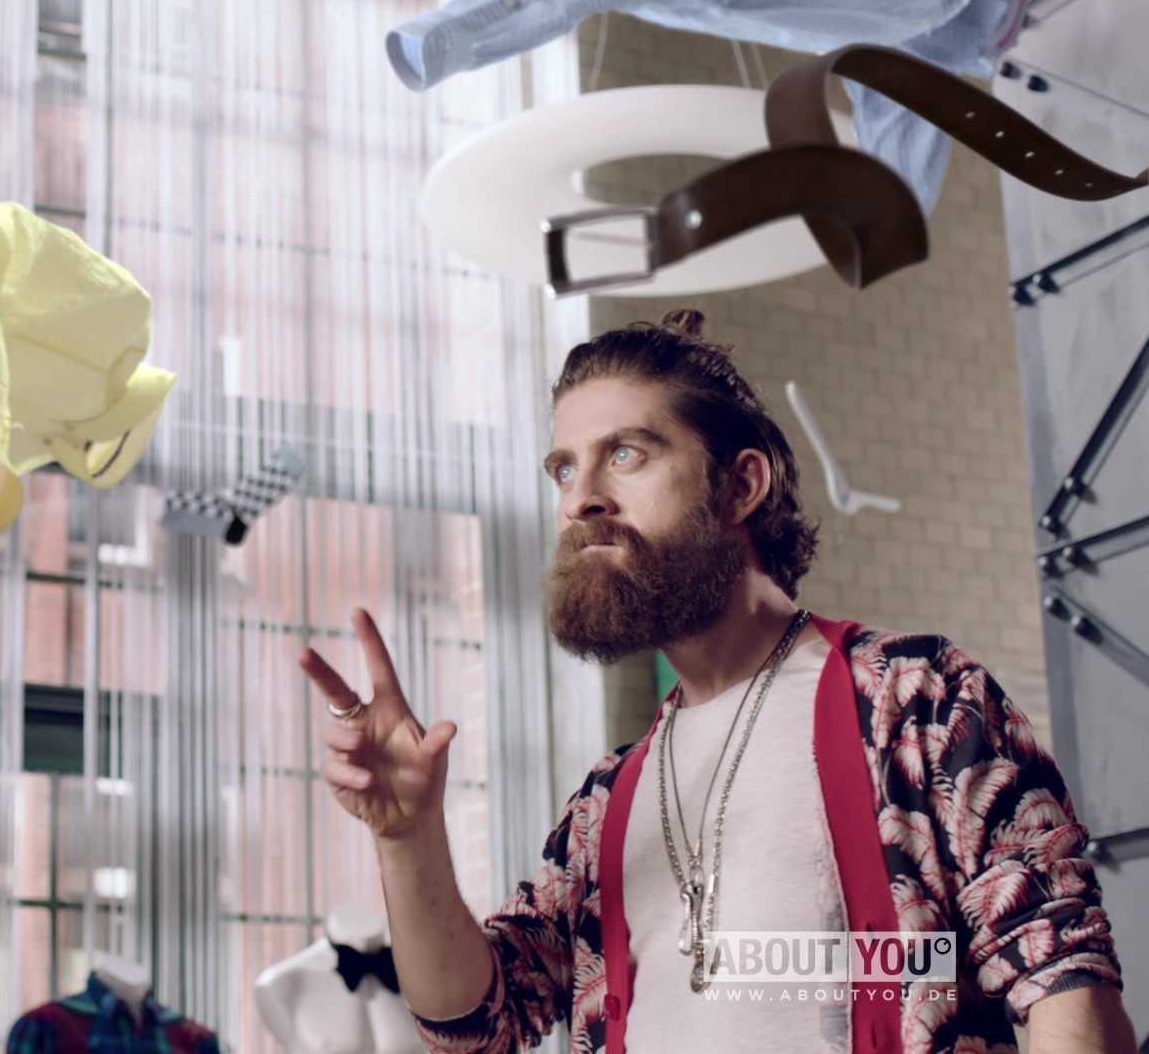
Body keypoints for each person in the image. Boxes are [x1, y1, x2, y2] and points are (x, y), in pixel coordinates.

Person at [301, 310, 1133, 1054]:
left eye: (625, 454)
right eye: (563, 469)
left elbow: (1067, 991)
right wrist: (407, 838)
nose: (580, 499)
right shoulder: (603, 807)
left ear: (740, 486)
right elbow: (477, 1025)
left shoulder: (915, 703)